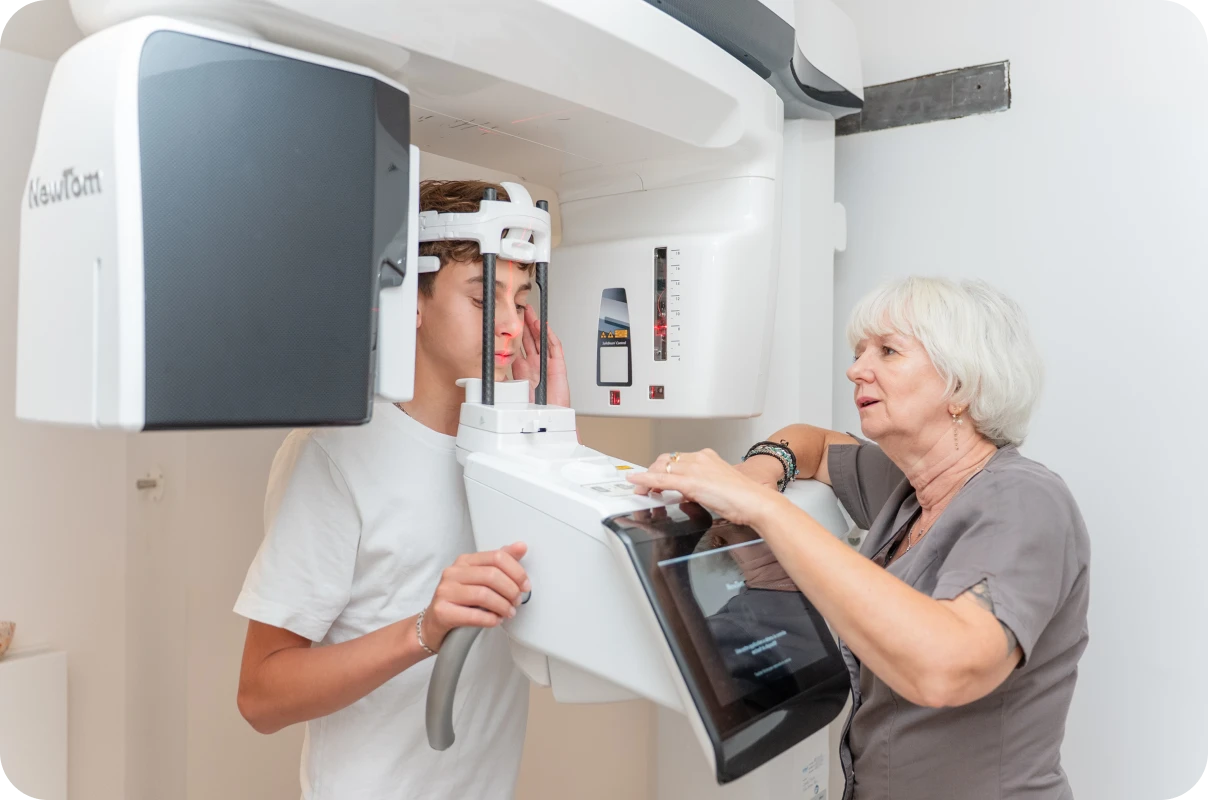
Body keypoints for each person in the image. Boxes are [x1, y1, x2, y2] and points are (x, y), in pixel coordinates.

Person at [629, 277, 1089, 800]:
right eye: (858, 353)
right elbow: (813, 443)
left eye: (888, 351)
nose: (855, 370)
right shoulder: (908, 486)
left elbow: (948, 669)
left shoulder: (1023, 499)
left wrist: (763, 508)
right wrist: (758, 472)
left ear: (962, 385)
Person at [233, 180, 569, 800]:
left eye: (521, 298)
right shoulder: (333, 454)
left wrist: (551, 445)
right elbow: (260, 695)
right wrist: (423, 630)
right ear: (411, 299)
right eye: (483, 297)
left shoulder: (513, 449)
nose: (510, 324)